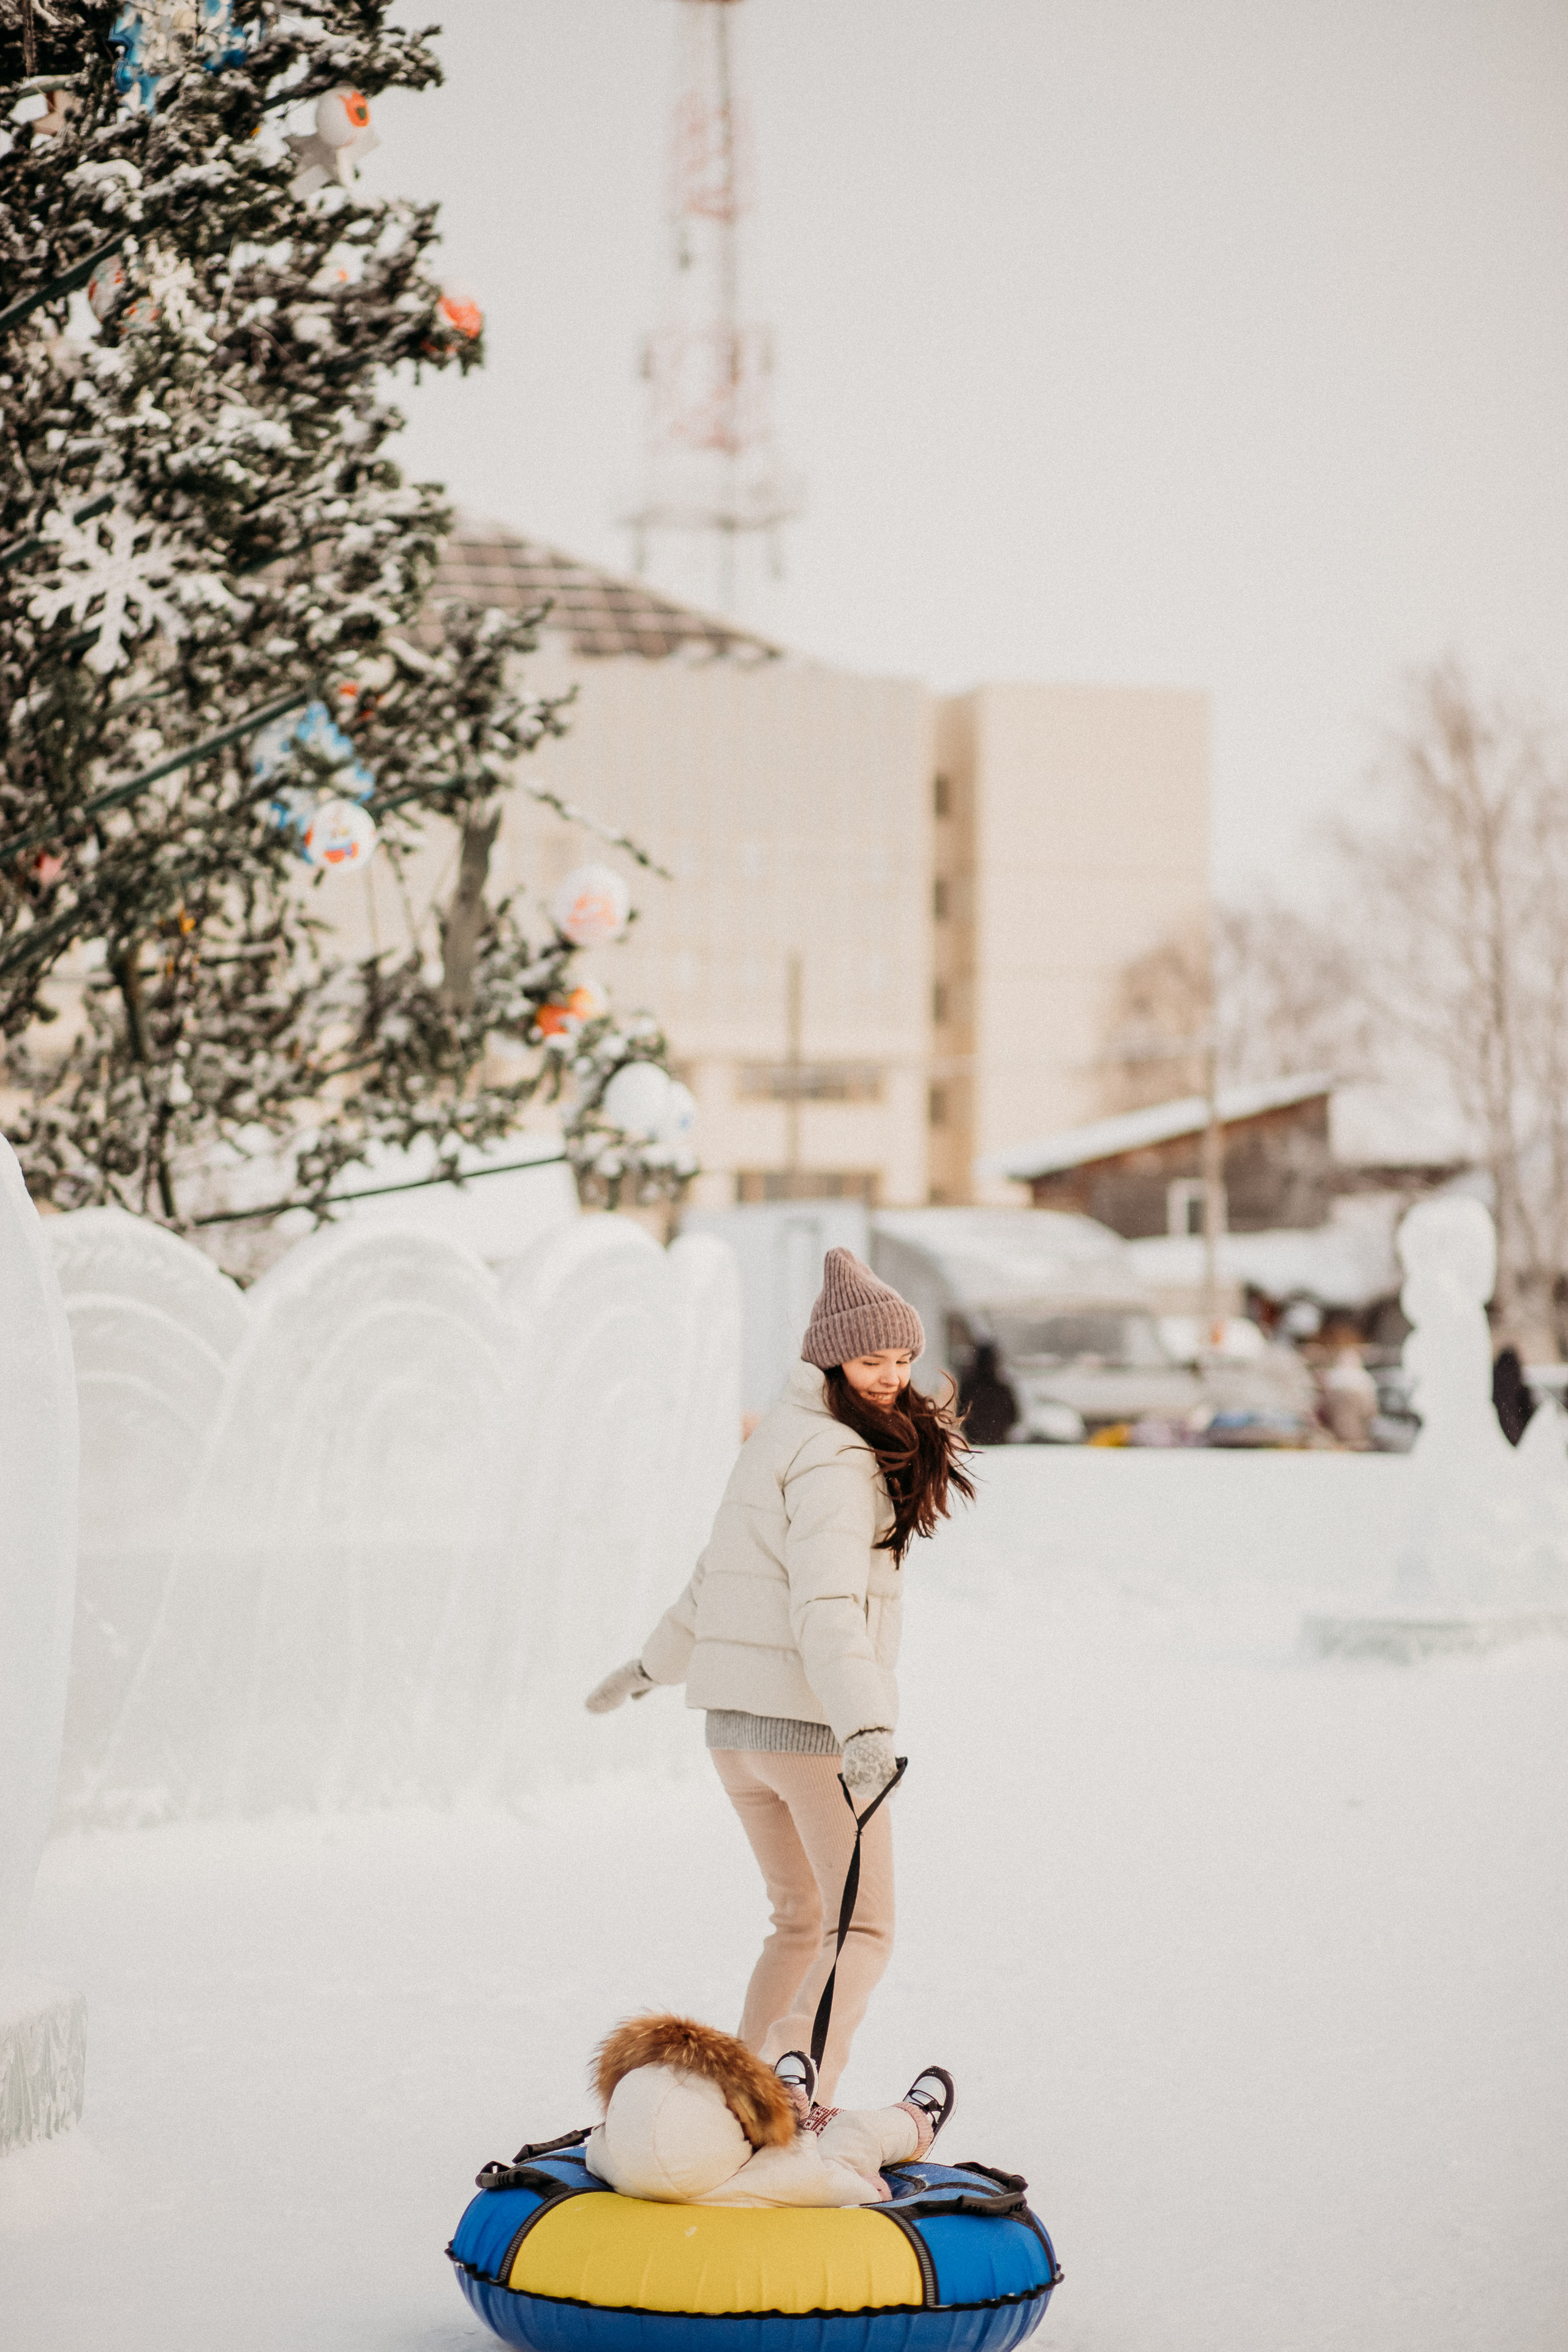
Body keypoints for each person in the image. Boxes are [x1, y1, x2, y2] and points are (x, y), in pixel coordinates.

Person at [586, 1248, 974, 2101]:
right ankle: (798, 2087)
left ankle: (741, 2095)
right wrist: (866, 1728)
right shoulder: (838, 1459)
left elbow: (714, 1585)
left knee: (798, 1921)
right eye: (873, 1361)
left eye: (904, 1360)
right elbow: (826, 1609)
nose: (891, 1377)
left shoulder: (777, 1443)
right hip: (813, 1736)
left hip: (736, 1736)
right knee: (860, 1926)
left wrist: (648, 1668)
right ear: (829, 1359)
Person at [585, 2011, 955, 2208]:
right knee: (856, 2137)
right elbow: (829, 2184)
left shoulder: (616, 2159)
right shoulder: (773, 2175)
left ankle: (782, 2104)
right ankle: (913, 2123)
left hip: (668, 2141)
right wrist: (870, 2190)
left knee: (677, 2087)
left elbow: (598, 2144)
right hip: (801, 2161)